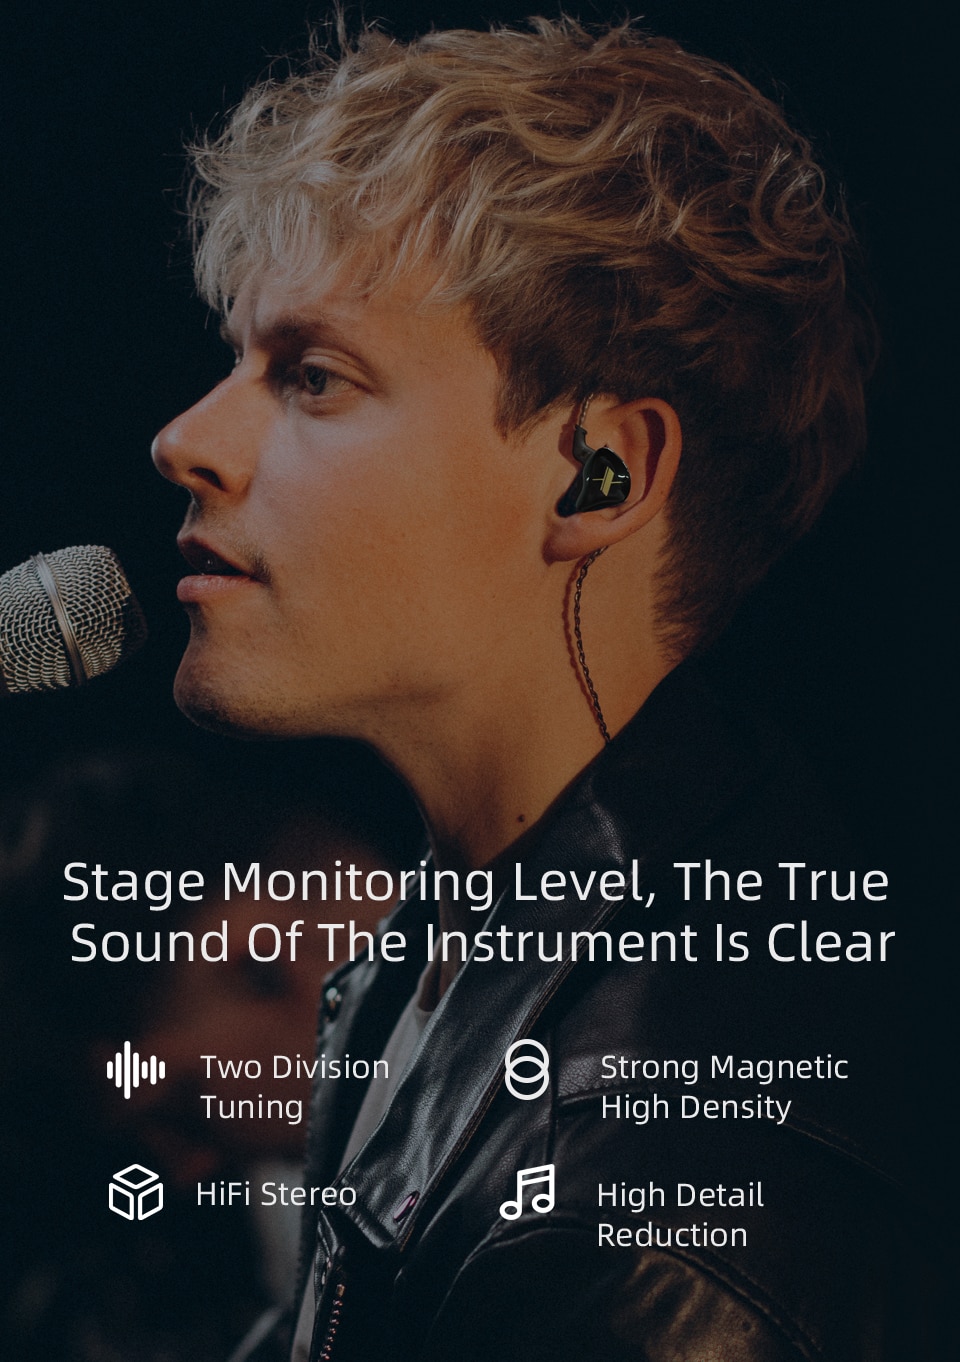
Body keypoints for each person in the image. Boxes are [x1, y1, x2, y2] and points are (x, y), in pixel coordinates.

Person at [152, 17, 920, 1360]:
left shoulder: (637, 1211)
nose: (185, 440)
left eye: (313, 377)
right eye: (238, 362)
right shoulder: (444, 933)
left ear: (596, 477)